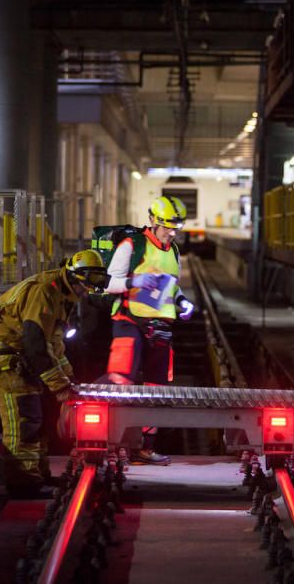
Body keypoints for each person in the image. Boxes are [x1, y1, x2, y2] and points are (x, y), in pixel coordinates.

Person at [0, 250, 110, 497]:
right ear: (74, 278)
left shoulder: (62, 293)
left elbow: (54, 343)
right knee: (23, 420)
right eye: (84, 287)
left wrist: (69, 379)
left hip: (20, 355)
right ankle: (23, 484)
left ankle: (38, 476)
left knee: (36, 418)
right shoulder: (45, 291)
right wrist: (59, 386)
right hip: (5, 356)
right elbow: (34, 342)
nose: (85, 293)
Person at [103, 196, 195, 465]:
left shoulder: (174, 250)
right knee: (122, 380)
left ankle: (146, 447)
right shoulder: (133, 245)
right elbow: (108, 282)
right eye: (167, 227)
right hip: (129, 320)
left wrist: (181, 301)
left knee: (157, 387)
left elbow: (171, 285)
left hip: (160, 325)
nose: (172, 233)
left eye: (176, 228)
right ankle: (115, 444)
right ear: (153, 221)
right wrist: (136, 280)